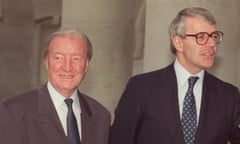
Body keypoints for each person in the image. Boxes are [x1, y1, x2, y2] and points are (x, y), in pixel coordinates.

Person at [109, 7, 240, 144]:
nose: (212, 44)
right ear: (178, 43)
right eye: (201, 37)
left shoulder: (228, 95)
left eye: (214, 36)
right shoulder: (141, 88)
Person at [0, 28, 111, 144]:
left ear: (86, 65)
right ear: (47, 62)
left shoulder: (101, 116)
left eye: (76, 58)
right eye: (58, 58)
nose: (67, 67)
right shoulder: (14, 113)